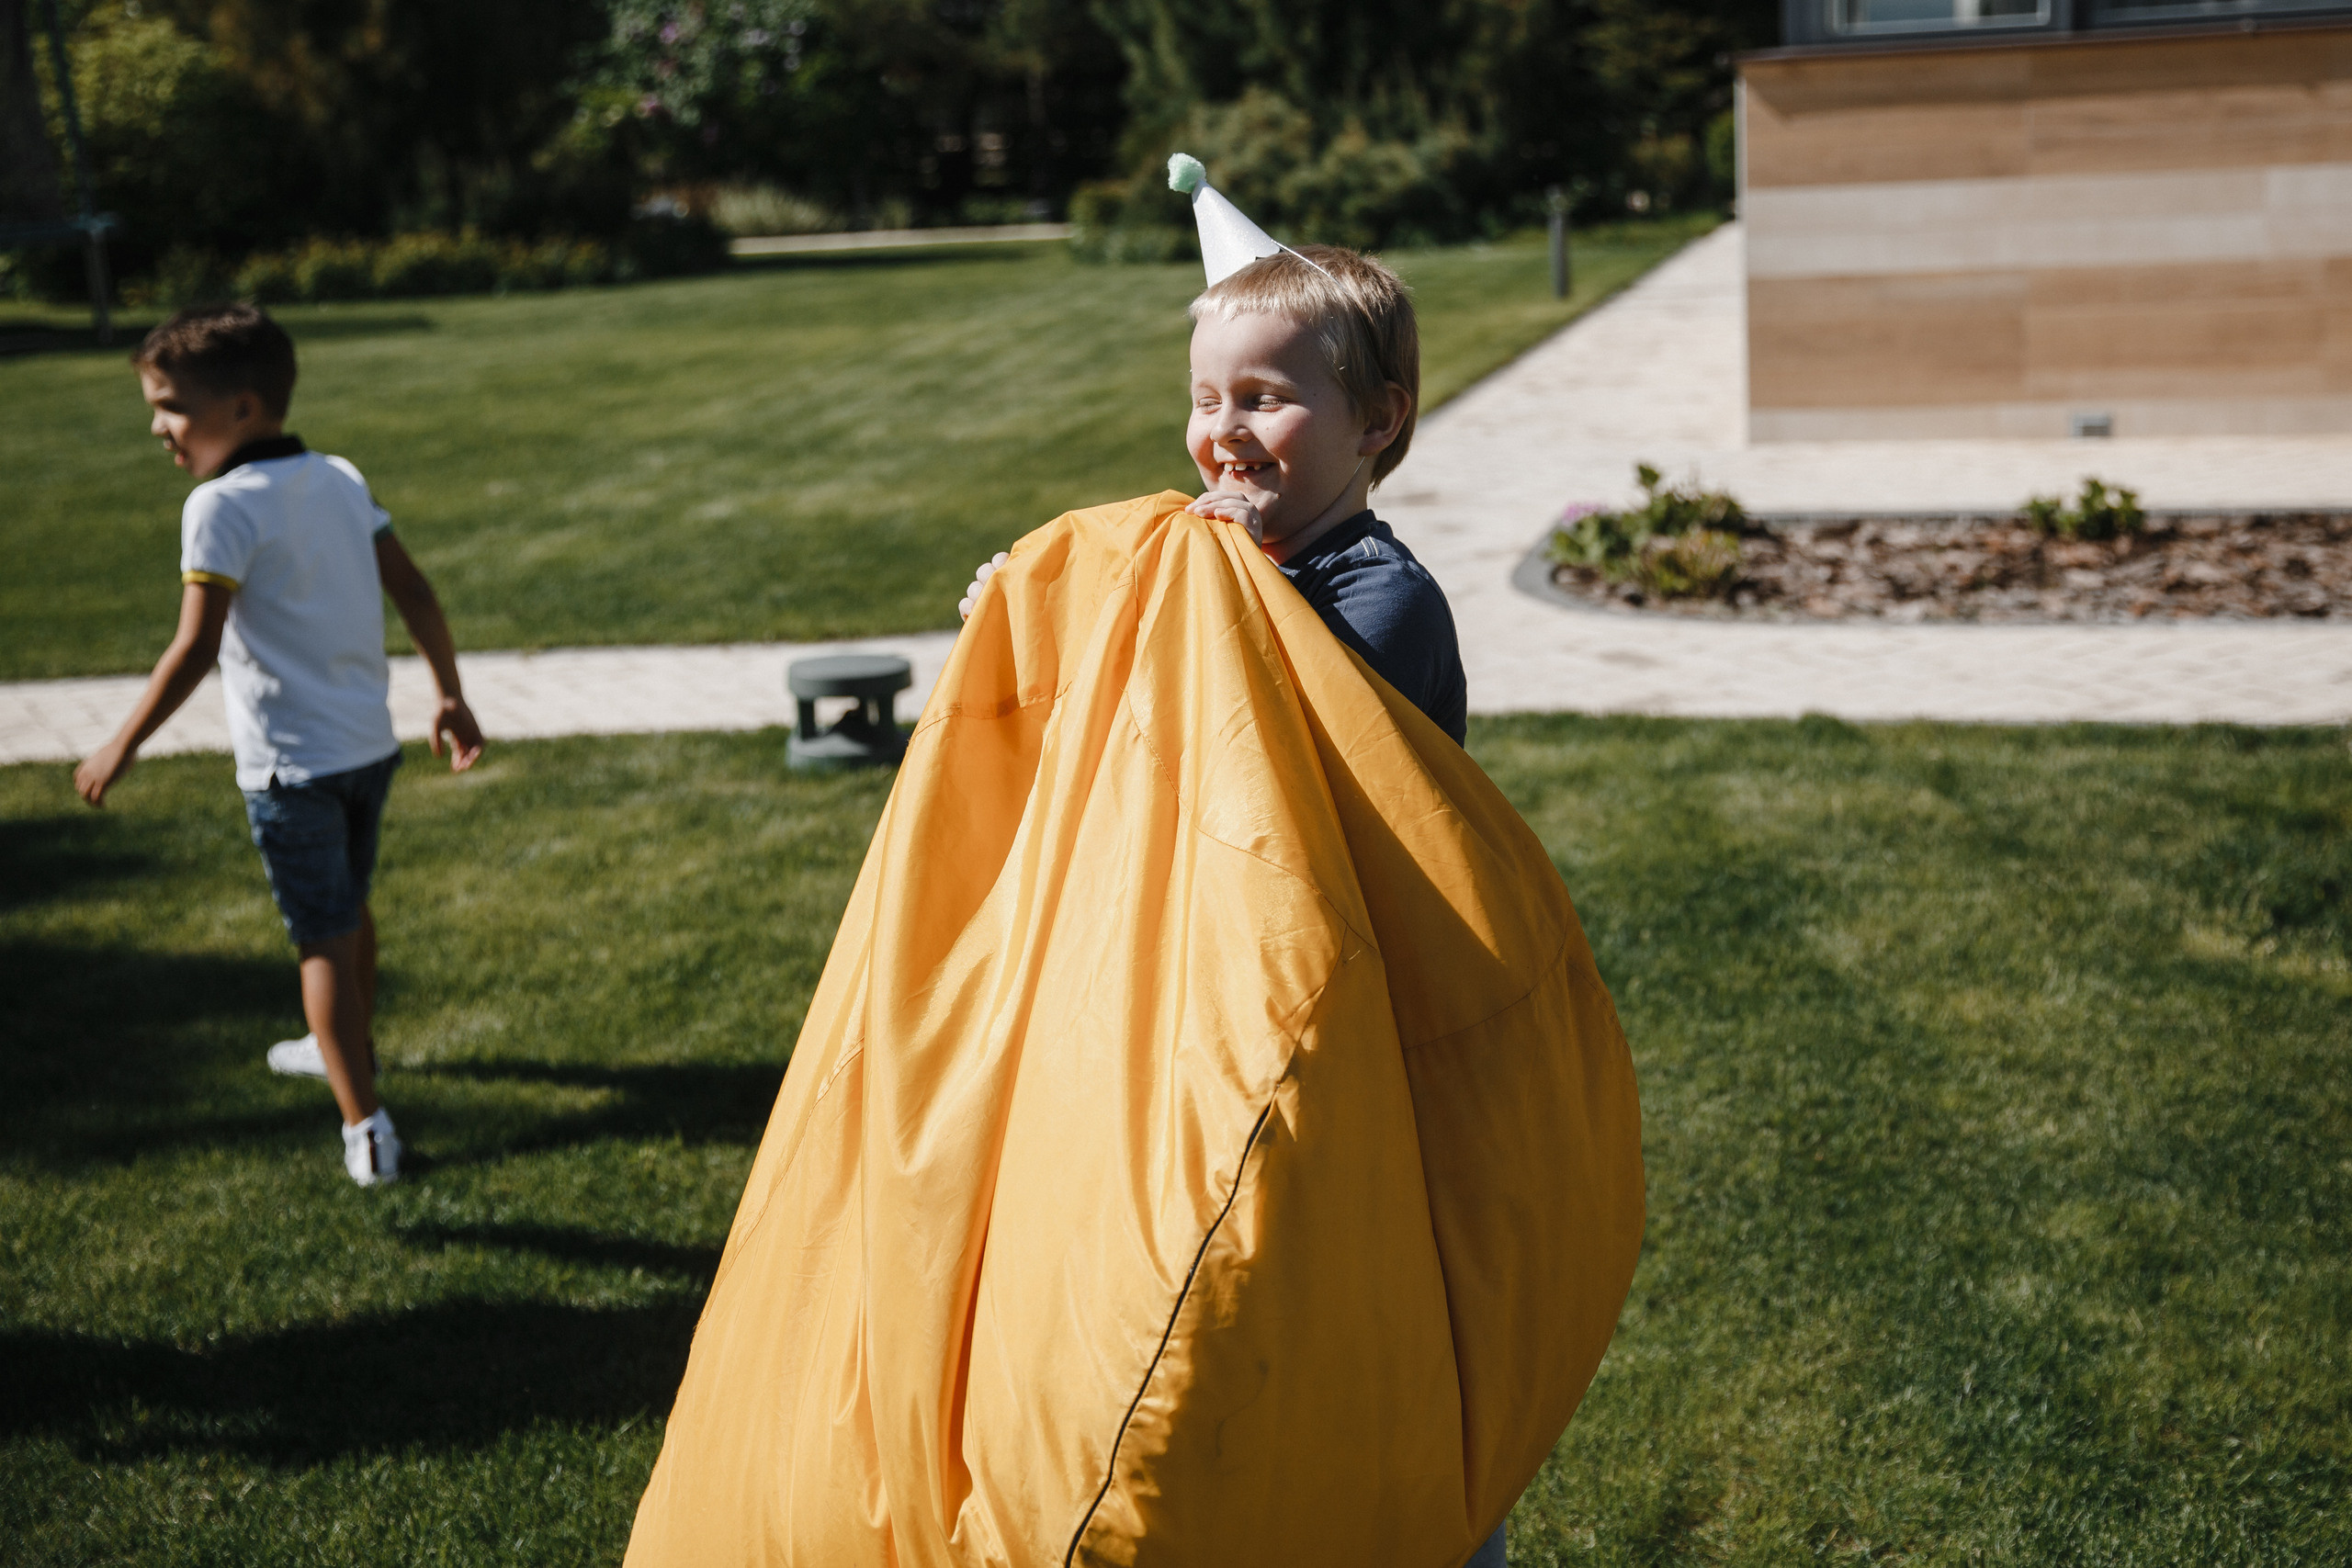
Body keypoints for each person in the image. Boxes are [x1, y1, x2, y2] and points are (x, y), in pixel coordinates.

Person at [965, 242, 1512, 1563]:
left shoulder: (1378, 602)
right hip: (1233, 1020)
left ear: (1377, 422)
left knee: (1384, 1325)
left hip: (1362, 1035)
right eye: (1205, 398)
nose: (1223, 431)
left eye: (1265, 398)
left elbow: (1250, 760)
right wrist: (1031, 619)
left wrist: (1173, 598)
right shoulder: (1222, 576)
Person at [73, 302, 484, 1188]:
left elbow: (195, 646)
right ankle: (345, 1046)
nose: (158, 427)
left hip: (289, 770)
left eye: (171, 407)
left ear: (243, 408)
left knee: (321, 938)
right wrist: (449, 693)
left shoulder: (216, 507)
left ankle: (365, 1125)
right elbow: (415, 590)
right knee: (349, 908)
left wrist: (121, 744)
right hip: (367, 751)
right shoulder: (338, 476)